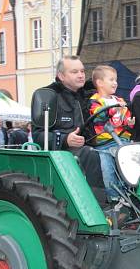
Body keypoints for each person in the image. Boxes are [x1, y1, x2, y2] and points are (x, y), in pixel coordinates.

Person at [30, 55, 105, 203]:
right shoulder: (47, 96)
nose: (81, 75)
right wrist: (65, 139)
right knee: (90, 154)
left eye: (82, 71)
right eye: (74, 71)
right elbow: (38, 135)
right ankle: (98, 205)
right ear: (61, 75)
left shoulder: (91, 95)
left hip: (92, 146)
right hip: (62, 153)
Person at [88, 65, 135, 201]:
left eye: (116, 80)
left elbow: (125, 117)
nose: (115, 83)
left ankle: (128, 197)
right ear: (100, 83)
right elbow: (98, 116)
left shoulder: (119, 100)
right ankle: (114, 199)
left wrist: (129, 121)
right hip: (104, 145)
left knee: (126, 172)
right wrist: (113, 110)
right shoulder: (95, 101)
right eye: (111, 79)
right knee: (107, 172)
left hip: (122, 142)